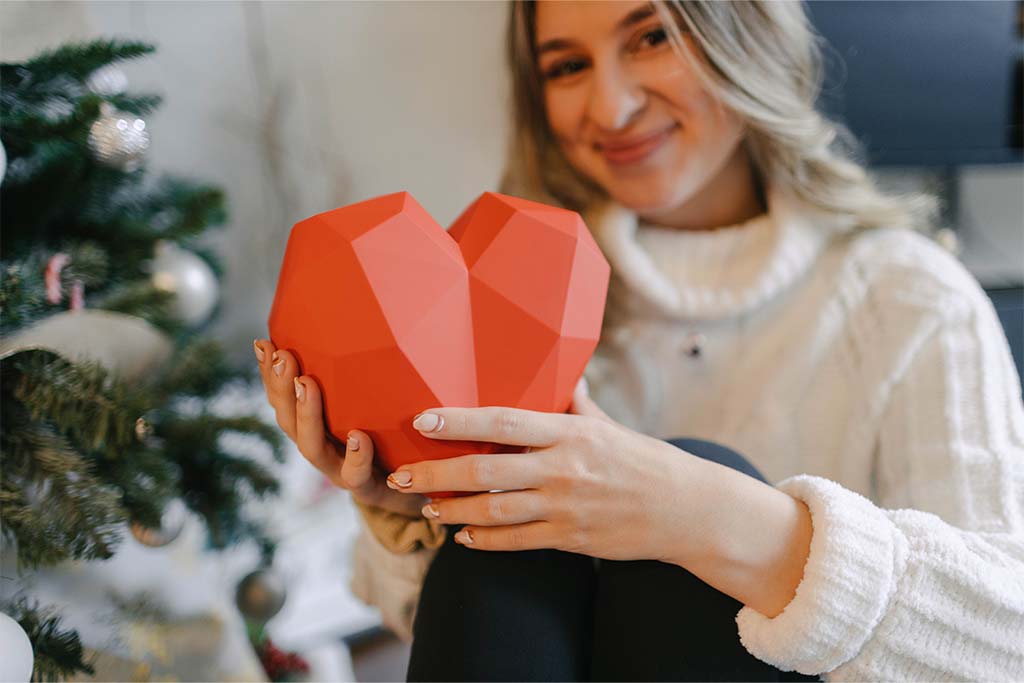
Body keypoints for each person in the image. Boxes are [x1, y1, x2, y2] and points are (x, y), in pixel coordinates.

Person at [253, 1, 1024, 680]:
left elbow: (1007, 648)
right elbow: (457, 630)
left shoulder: (910, 299)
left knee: (696, 472)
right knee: (527, 533)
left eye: (651, 36)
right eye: (566, 65)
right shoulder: (515, 295)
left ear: (743, 33)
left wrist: (703, 514)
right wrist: (415, 499)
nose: (611, 107)